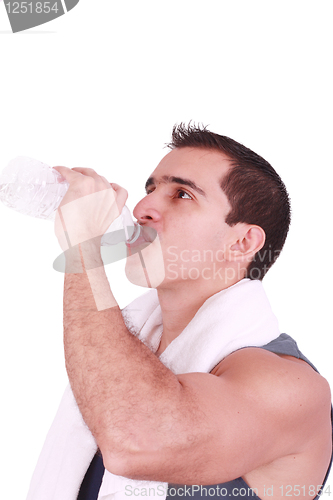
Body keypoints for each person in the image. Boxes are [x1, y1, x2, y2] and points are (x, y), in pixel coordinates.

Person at [27, 124, 332, 500]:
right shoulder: (125, 350)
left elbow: (133, 438)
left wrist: (83, 251)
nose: (142, 209)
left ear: (242, 242)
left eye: (182, 194)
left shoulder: (292, 387)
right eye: (151, 189)